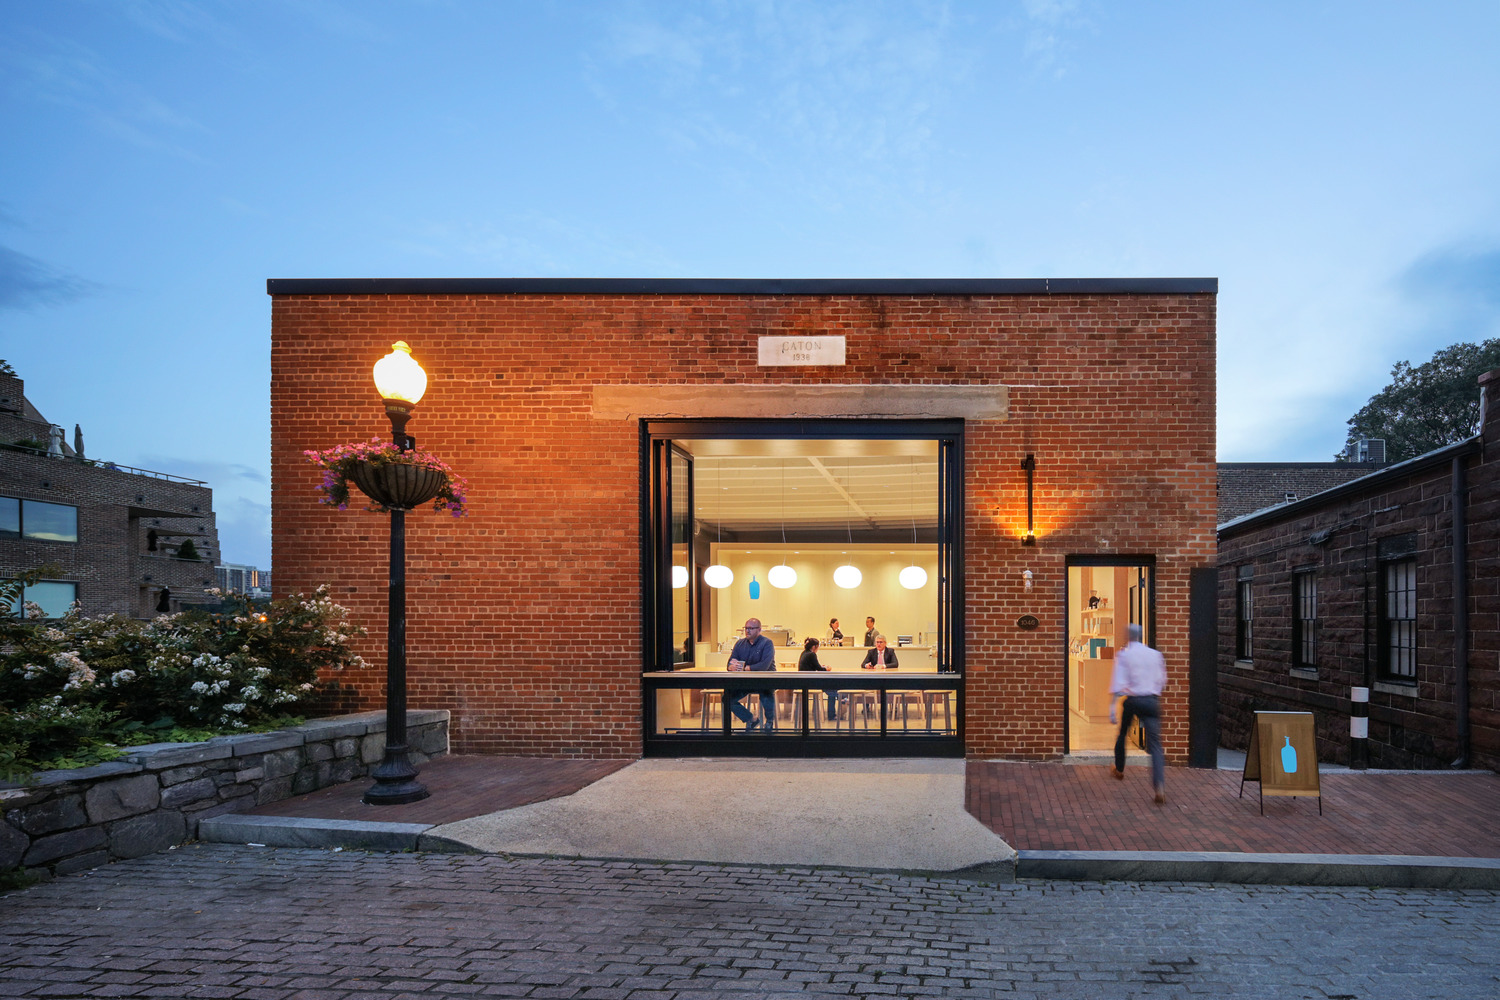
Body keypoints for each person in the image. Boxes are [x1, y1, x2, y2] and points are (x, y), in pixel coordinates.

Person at [1109, 623, 1168, 803]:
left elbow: (1118, 683)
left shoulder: (1124, 655)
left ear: (1128, 636)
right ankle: (1159, 786)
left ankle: (1119, 769)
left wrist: (1112, 708)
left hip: (1133, 700)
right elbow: (1162, 680)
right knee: (1156, 746)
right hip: (1151, 700)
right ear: (1141, 636)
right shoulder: (1155, 655)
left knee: (1123, 734)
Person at [725, 618, 777, 731]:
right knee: (727, 698)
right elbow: (731, 661)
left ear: (759, 630)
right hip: (747, 681)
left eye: (751, 628)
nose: (747, 631)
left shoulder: (767, 643)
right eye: (746, 628)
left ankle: (769, 723)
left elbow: (764, 666)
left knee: (767, 694)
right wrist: (730, 666)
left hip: (765, 680)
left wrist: (744, 668)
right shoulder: (739, 644)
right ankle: (751, 719)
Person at [799, 637, 841, 721]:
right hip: (810, 682)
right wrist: (827, 669)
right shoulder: (812, 654)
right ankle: (832, 714)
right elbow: (819, 669)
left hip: (804, 681)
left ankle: (842, 699)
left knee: (832, 689)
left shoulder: (804, 653)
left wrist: (822, 667)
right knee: (832, 689)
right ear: (814, 647)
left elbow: (814, 666)